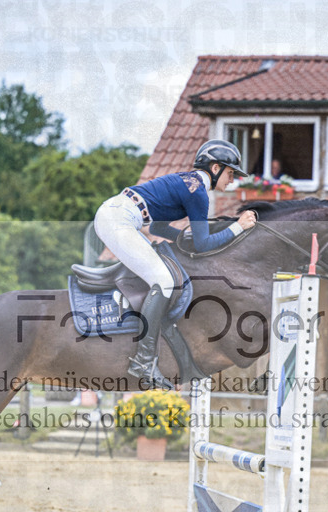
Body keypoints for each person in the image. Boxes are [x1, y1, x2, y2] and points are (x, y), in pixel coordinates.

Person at [93, 139, 257, 391]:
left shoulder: (188, 183)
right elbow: (203, 245)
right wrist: (238, 227)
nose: (232, 180)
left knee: (161, 277)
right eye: (230, 173)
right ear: (215, 168)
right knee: (165, 281)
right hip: (118, 220)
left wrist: (181, 238)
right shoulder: (198, 192)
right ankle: (144, 361)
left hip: (117, 214)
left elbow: (158, 228)